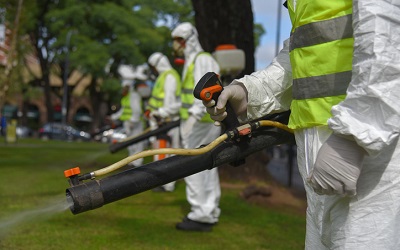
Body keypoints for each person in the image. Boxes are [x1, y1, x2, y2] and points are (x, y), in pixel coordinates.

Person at [203, 0, 400, 248]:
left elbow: (388, 42)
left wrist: (354, 136)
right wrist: (249, 92)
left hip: (368, 153)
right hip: (320, 151)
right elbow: (301, 53)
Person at [171, 22, 222, 232]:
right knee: (207, 166)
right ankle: (207, 212)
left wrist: (192, 118)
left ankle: (200, 214)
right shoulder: (194, 61)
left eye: (178, 40)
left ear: (188, 39)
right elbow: (187, 97)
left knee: (193, 167)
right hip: (200, 123)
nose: (176, 45)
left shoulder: (202, 60)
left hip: (199, 124)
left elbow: (207, 91)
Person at [145, 52, 182, 192]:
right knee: (162, 152)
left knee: (167, 153)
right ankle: (162, 182)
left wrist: (162, 115)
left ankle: (167, 184)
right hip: (161, 120)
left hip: (167, 121)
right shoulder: (163, 77)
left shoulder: (170, 77)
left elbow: (169, 101)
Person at [111, 78, 145, 167]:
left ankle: (137, 164)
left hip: (136, 124)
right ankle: (132, 162)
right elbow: (123, 110)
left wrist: (133, 121)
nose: (123, 90)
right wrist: (113, 117)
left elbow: (137, 111)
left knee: (137, 143)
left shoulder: (133, 96)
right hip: (128, 123)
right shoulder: (126, 97)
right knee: (130, 144)